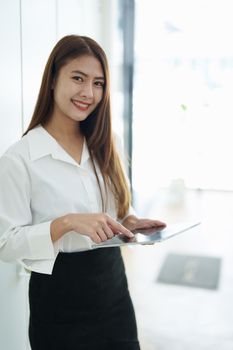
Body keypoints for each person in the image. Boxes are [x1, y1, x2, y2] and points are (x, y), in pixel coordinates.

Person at [0, 35, 166, 350]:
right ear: (52, 80)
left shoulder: (108, 141)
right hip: (57, 302)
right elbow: (6, 244)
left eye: (98, 83)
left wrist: (128, 223)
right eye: (78, 78)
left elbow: (114, 212)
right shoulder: (19, 158)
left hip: (114, 291)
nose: (88, 93)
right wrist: (67, 222)